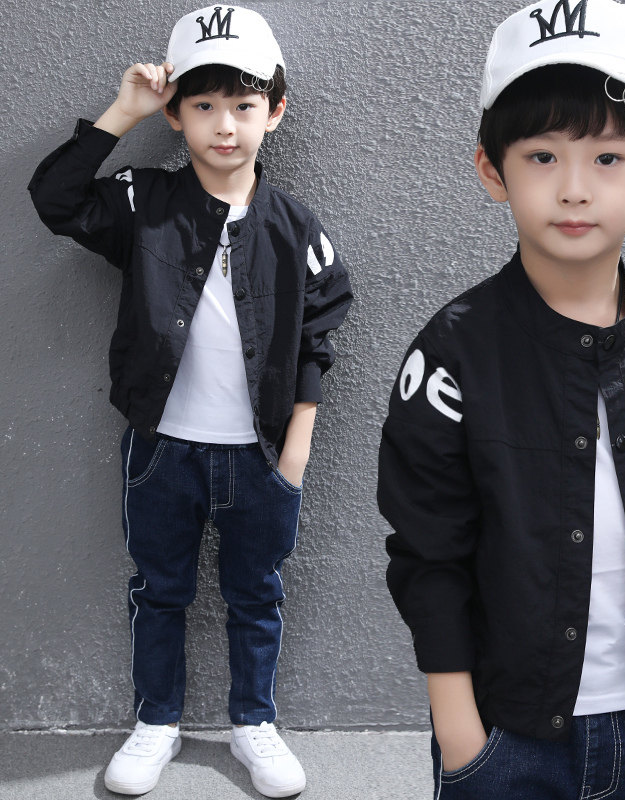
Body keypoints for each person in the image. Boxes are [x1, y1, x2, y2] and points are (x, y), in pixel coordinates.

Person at [377, 1, 625, 797]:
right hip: (505, 739)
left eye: (608, 157)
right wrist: (462, 739)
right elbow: (428, 555)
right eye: (543, 156)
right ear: (493, 170)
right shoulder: (451, 354)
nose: (575, 189)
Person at [28, 5, 352, 797]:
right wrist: (124, 112)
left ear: (275, 110)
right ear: (176, 114)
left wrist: (296, 451)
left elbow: (319, 332)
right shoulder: (145, 202)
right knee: (159, 590)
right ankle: (157, 722)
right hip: (161, 452)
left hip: (261, 456)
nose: (225, 125)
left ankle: (253, 722)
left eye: (243, 104)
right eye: (203, 105)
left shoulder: (294, 227)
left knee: (256, 594)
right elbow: (57, 199)